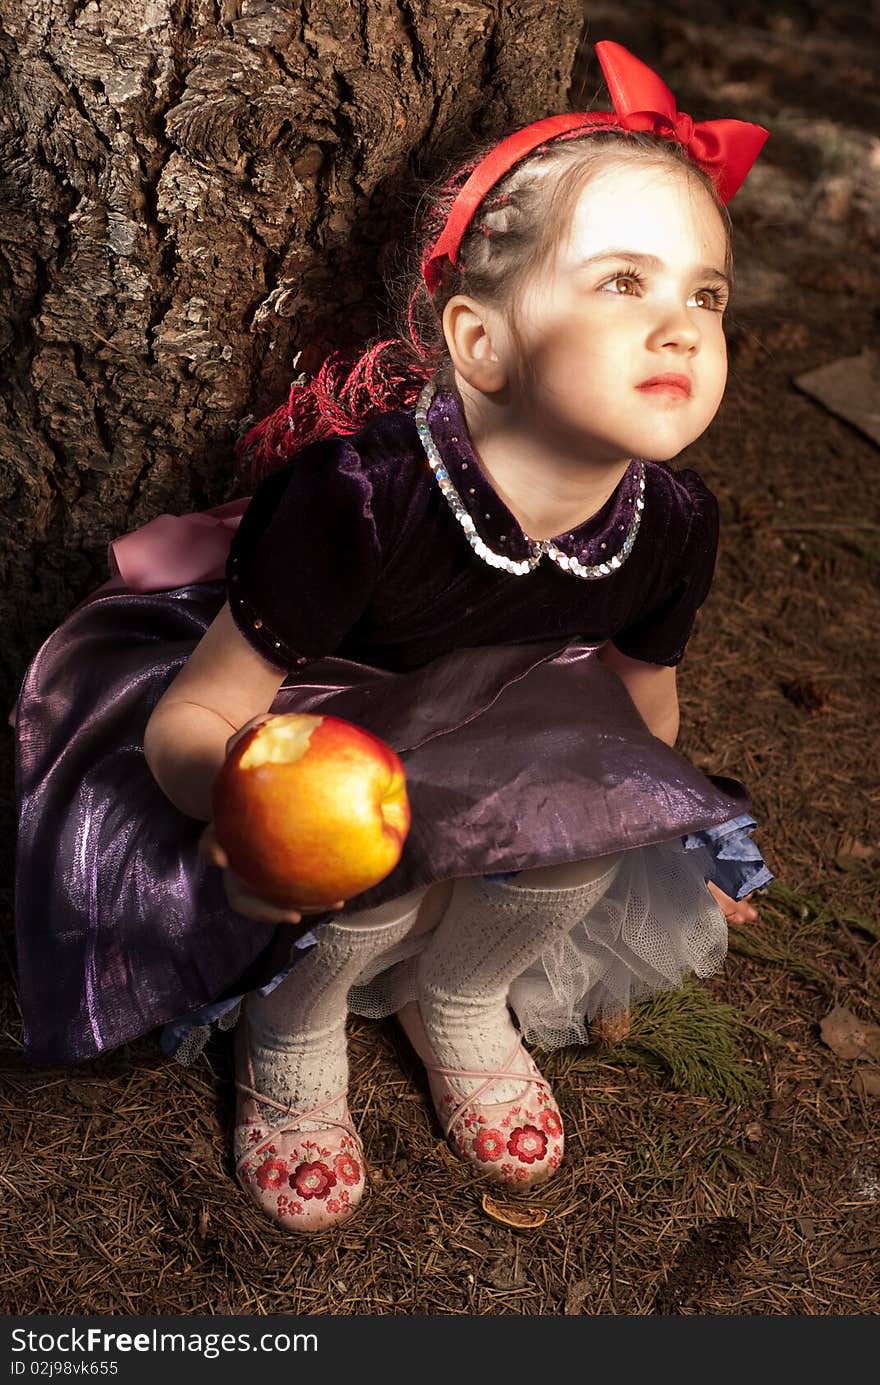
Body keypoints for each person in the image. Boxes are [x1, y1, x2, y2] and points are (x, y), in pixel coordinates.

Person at [12, 41, 775, 1233]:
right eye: (623, 283)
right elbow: (197, 714)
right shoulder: (363, 501)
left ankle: (465, 993)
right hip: (321, 722)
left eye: (706, 294)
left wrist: (677, 824)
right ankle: (295, 1025)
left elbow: (640, 708)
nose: (681, 327)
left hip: (506, 727)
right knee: (357, 865)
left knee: (588, 831)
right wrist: (247, 818)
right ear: (479, 342)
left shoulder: (672, 521)